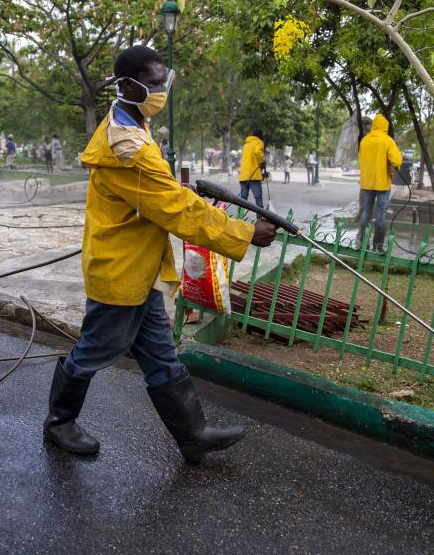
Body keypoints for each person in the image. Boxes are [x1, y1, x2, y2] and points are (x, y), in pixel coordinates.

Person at [43, 45, 277, 463]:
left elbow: (162, 196)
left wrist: (176, 189)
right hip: (121, 272)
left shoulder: (134, 121)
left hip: (144, 270)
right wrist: (244, 233)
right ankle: (59, 423)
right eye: (153, 85)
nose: (160, 92)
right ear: (128, 86)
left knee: (160, 352)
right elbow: (175, 210)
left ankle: (192, 435)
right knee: (96, 348)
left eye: (162, 83)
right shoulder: (126, 147)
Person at [358, 113, 402, 252]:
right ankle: (378, 246)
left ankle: (364, 243)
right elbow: (396, 160)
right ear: (385, 126)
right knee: (380, 215)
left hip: (367, 183)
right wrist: (394, 166)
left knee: (366, 213)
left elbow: (361, 160)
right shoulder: (387, 140)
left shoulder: (364, 140)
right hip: (382, 183)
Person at [238, 128, 266, 208]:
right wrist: (262, 162)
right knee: (258, 198)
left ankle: (240, 217)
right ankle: (260, 218)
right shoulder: (259, 142)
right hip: (253, 176)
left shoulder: (246, 145)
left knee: (243, 199)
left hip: (243, 176)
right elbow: (258, 152)